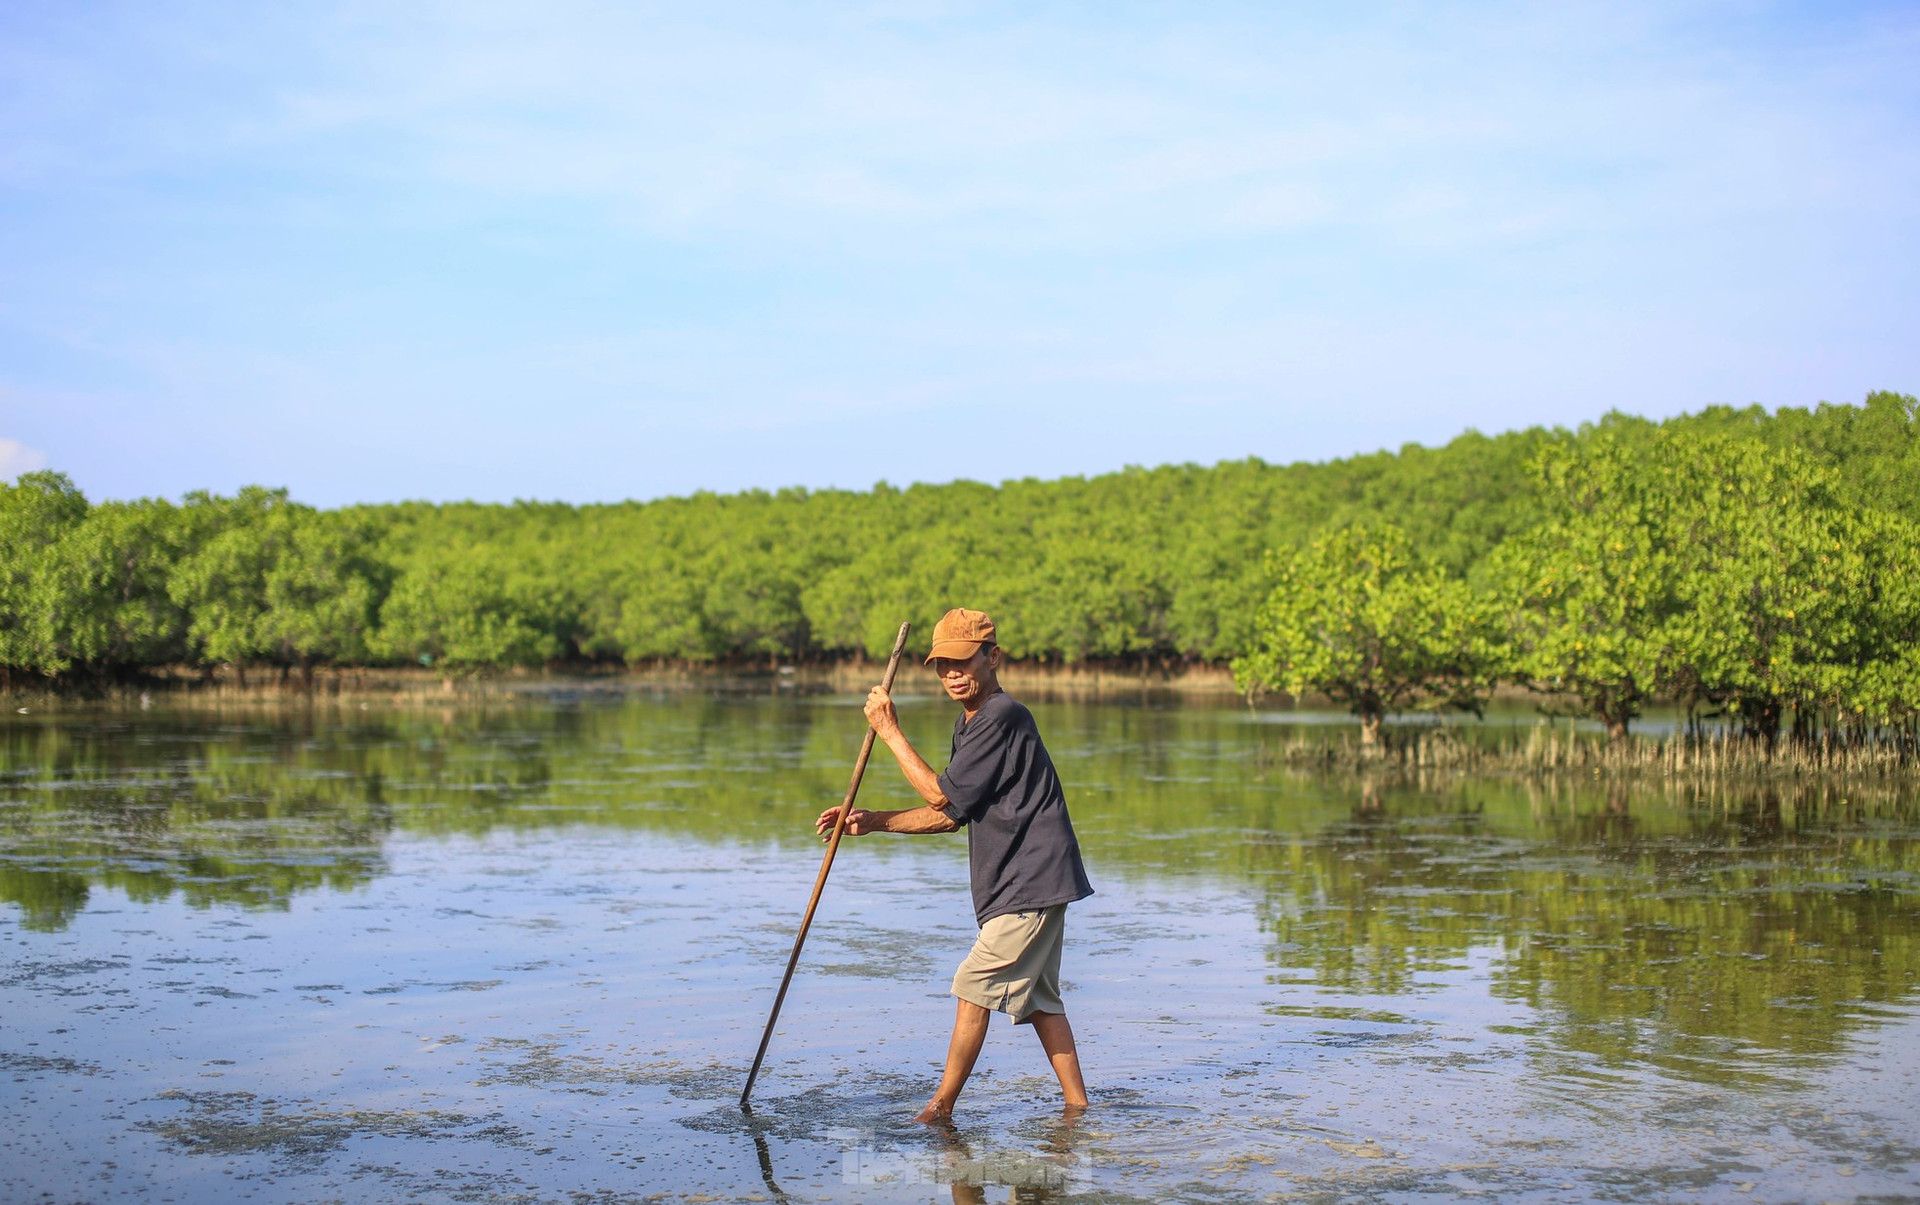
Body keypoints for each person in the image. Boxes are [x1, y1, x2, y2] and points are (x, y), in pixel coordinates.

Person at [814, 608, 1095, 1122]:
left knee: (972, 986)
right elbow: (953, 814)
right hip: (1028, 881)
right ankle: (1078, 1108)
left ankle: (940, 1109)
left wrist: (889, 730)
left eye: (962, 661)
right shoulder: (971, 723)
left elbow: (940, 795)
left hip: (1029, 880)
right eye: (942, 665)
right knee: (1040, 1002)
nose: (952, 674)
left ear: (993, 657)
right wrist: (874, 820)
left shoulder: (1001, 715)